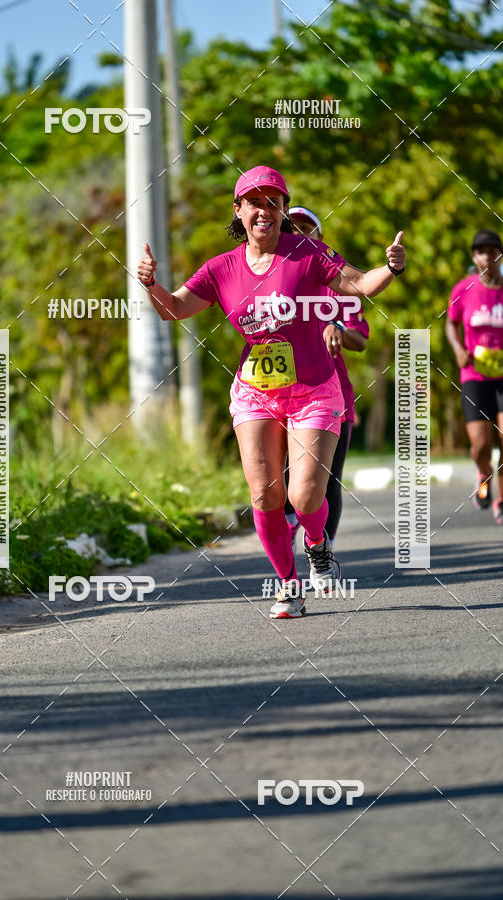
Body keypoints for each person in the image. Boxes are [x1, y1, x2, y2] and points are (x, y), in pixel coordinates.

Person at [137, 165, 405, 619]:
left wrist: (392, 268)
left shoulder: (307, 253)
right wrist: (149, 285)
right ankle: (287, 587)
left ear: (283, 210)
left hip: (315, 390)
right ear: (238, 211)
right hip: (256, 391)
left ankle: (318, 544)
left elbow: (358, 284)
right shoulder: (220, 268)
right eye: (255, 202)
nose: (265, 210)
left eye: (274, 202)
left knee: (303, 498)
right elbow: (175, 309)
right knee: (264, 494)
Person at [284, 207, 369, 549]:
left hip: (333, 397)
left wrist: (338, 328)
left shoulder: (338, 287)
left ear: (320, 239)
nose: (301, 235)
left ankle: (323, 547)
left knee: (330, 477)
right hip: (281, 395)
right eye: (294, 229)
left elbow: (361, 340)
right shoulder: (269, 280)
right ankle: (289, 526)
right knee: (285, 472)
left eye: (309, 229)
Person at [446, 229, 503, 524]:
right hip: (474, 375)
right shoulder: (463, 289)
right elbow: (451, 324)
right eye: (482, 252)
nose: (488, 257)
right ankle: (484, 473)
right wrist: (458, 349)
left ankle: (501, 498)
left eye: (493, 252)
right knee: (480, 445)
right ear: (474, 256)